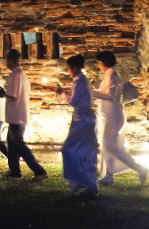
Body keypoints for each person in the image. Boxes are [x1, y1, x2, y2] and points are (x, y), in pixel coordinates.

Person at [90, 52, 148, 186]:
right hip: (108, 115)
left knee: (111, 146)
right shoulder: (109, 75)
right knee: (107, 145)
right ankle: (108, 176)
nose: (98, 65)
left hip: (113, 116)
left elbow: (111, 96)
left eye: (99, 63)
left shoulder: (112, 76)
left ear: (103, 63)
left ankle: (140, 169)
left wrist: (92, 92)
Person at [0, 49, 48, 180]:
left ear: (10, 61)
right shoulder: (22, 74)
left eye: (6, 61)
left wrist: (3, 94)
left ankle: (39, 170)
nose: (5, 64)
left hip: (16, 114)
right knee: (12, 143)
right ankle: (14, 171)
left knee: (18, 144)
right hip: (19, 114)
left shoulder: (15, 75)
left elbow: (13, 96)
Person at [56, 55, 99, 197]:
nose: (68, 71)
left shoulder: (80, 81)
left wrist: (61, 93)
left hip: (82, 120)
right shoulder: (82, 80)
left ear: (74, 68)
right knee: (82, 151)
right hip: (84, 119)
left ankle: (86, 183)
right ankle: (83, 181)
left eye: (68, 68)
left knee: (71, 149)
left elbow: (73, 101)